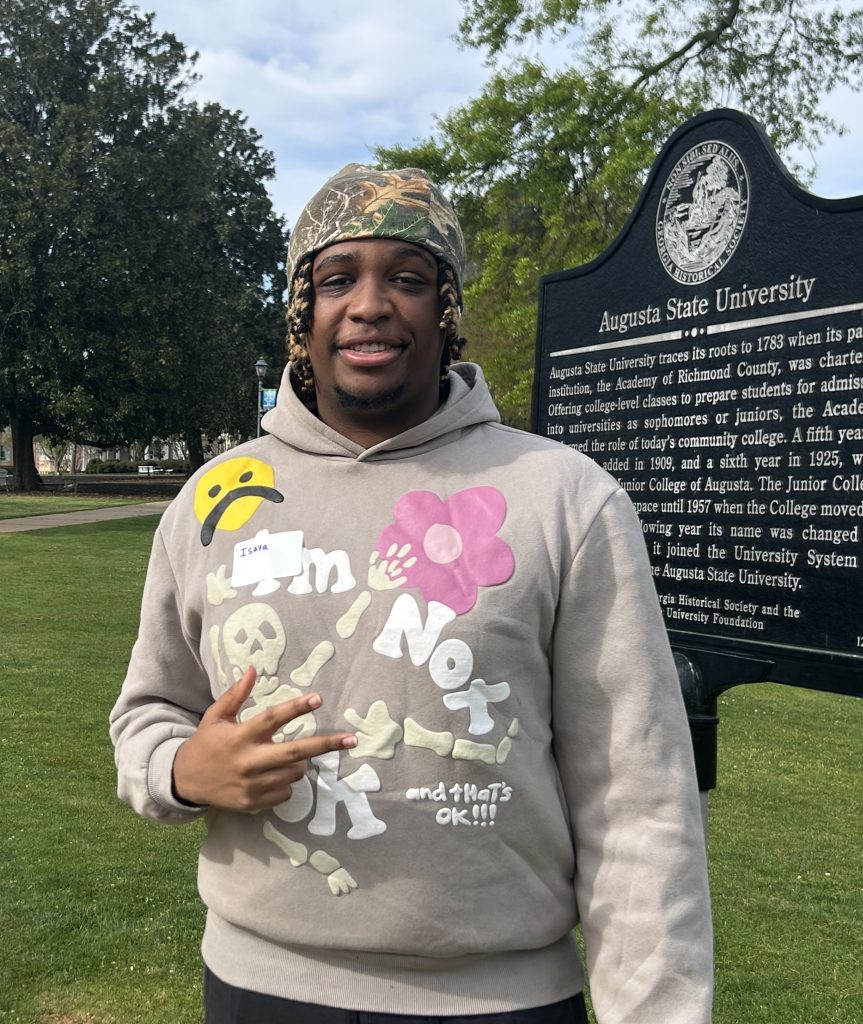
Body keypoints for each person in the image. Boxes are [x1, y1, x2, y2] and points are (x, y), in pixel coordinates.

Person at [110, 164, 713, 1023]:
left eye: (406, 277)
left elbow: (638, 796)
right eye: (335, 279)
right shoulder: (215, 497)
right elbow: (149, 709)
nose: (368, 304)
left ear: (447, 309)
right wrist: (181, 770)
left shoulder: (564, 497)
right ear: (300, 314)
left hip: (499, 999)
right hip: (258, 988)